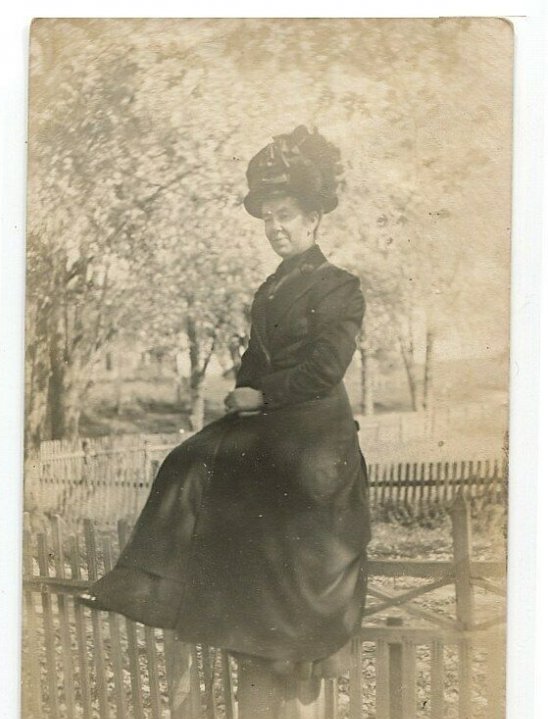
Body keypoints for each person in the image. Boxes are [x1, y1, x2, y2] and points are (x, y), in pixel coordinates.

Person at [80, 125, 372, 681]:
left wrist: (262, 395)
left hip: (315, 425)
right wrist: (243, 392)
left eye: (285, 213)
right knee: (187, 461)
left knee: (271, 479)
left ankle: (282, 638)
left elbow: (324, 369)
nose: (275, 226)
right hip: (268, 415)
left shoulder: (339, 286)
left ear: (312, 218)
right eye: (267, 217)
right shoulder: (270, 288)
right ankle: (149, 590)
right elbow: (255, 358)